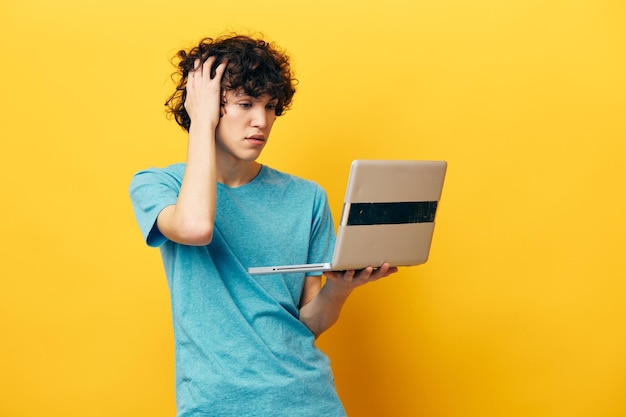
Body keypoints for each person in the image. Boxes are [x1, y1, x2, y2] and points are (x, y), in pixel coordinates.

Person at [129, 34, 397, 417]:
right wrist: (200, 124)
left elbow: (309, 322)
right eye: (244, 104)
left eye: (271, 107)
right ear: (202, 106)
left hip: (310, 401)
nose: (262, 121)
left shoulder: (307, 197)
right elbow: (194, 227)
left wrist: (340, 289)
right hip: (217, 405)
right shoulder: (160, 185)